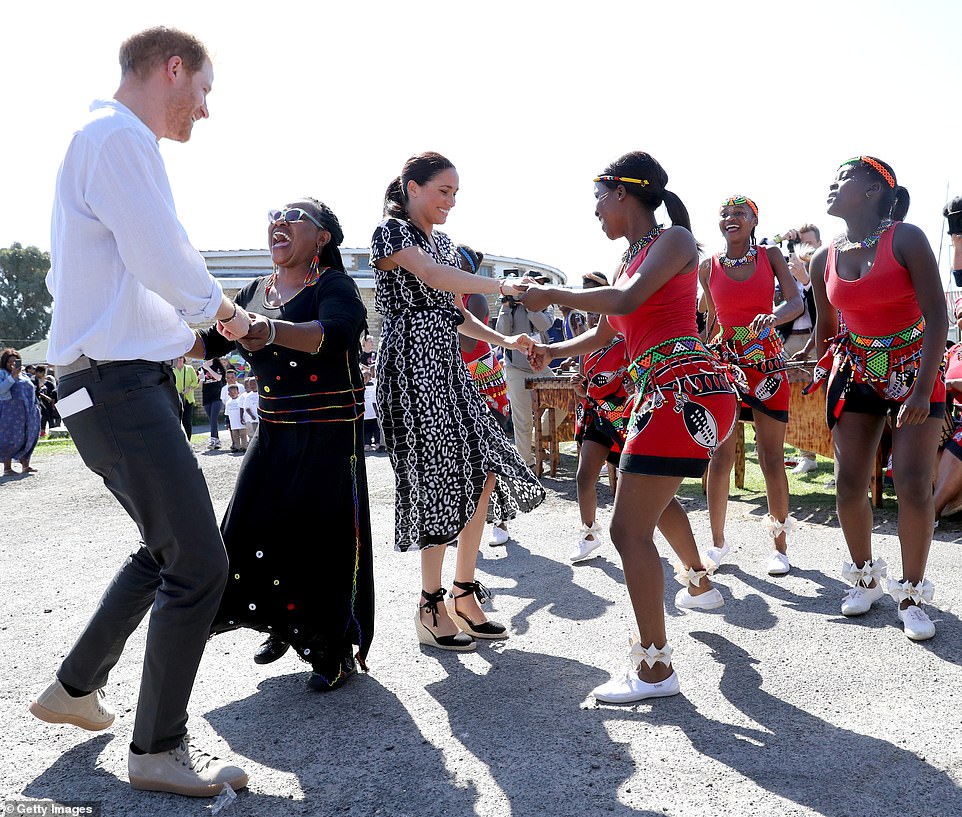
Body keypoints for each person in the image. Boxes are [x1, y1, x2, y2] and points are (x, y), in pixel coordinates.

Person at [29, 27, 249, 797]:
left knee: (166, 549)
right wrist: (223, 313)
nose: (205, 110)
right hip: (116, 386)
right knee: (199, 563)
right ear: (173, 69)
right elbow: (162, 255)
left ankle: (75, 687)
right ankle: (157, 749)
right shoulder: (120, 138)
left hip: (112, 382)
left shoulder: (103, 139)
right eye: (204, 91)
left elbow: (121, 280)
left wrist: (184, 339)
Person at [523, 151, 738, 703]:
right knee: (644, 506)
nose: (595, 210)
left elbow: (626, 300)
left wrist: (553, 294)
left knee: (626, 529)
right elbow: (605, 332)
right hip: (660, 394)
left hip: (684, 391)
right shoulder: (630, 259)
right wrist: (552, 350)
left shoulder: (675, 241)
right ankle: (698, 586)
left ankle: (655, 670)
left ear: (621, 191)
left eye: (598, 197)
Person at [370, 151, 545, 652]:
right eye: (443, 191)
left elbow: (454, 311)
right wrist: (503, 285)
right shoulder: (391, 233)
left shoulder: (444, 243)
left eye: (455, 194)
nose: (450, 201)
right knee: (439, 477)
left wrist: (505, 340)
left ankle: (464, 593)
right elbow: (434, 277)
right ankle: (430, 605)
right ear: (412, 187)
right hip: (410, 368)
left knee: (485, 465)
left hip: (447, 366)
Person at [203, 198, 375, 692]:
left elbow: (335, 334)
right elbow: (208, 344)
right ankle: (283, 625)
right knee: (250, 527)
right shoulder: (254, 291)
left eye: (295, 216)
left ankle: (332, 650)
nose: (279, 221)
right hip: (274, 430)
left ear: (321, 237)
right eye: (275, 215)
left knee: (321, 539)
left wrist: (268, 329)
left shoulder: (334, 285)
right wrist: (149, 333)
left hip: (329, 434)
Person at [808, 156, 947, 641]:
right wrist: (814, 359)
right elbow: (827, 328)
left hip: (914, 369)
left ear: (873, 189)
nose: (832, 184)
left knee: (912, 482)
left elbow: (937, 316)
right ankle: (865, 578)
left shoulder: (906, 239)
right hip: (856, 372)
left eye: (844, 177)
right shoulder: (822, 258)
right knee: (848, 483)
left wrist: (923, 389)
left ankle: (910, 595)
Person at [700, 196, 803, 575]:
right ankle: (716, 544)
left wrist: (773, 316)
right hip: (725, 364)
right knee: (720, 456)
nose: (731, 218)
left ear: (754, 221)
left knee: (771, 457)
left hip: (767, 363)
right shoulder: (707, 267)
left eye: (740, 213)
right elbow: (711, 319)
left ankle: (779, 548)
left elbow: (796, 303)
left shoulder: (769, 255)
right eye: (725, 214)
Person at [565, 272, 631, 562]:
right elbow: (586, 386)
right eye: (587, 303)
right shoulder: (585, 343)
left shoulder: (625, 337)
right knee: (584, 476)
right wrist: (580, 389)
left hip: (626, 420)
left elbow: (636, 377)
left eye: (595, 301)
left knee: (634, 482)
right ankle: (589, 535)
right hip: (596, 418)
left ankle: (639, 533)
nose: (591, 312)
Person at [456, 243, 515, 545]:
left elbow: (467, 343)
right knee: (463, 454)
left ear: (467, 268)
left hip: (483, 380)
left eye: (454, 260)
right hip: (460, 379)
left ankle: (501, 521)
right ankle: (466, 520)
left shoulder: (475, 298)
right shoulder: (452, 296)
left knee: (489, 453)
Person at [495, 270, 556, 468]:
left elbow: (544, 325)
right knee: (522, 419)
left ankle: (538, 437)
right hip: (516, 367)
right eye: (533, 284)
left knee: (565, 400)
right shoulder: (510, 306)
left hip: (542, 366)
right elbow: (502, 333)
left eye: (540, 283)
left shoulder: (546, 303)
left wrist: (530, 305)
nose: (538, 287)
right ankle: (526, 464)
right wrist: (506, 306)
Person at [776, 223, 823, 474]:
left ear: (819, 244)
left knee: (818, 399)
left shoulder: (824, 267)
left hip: (815, 340)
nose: (804, 249)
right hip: (788, 340)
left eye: (809, 244)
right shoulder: (787, 271)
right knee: (793, 400)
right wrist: (781, 237)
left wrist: (807, 281)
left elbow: (825, 310)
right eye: (799, 244)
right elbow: (757, 248)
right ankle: (806, 455)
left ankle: (828, 452)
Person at [934, 298, 962, 519]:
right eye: (961, 316)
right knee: (923, 431)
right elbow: (936, 379)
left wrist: (951, 385)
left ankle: (932, 511)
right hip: (956, 418)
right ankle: (951, 501)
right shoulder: (952, 351)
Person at [0, 348, 41, 475]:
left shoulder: (24, 375)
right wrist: (12, 376)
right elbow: (1, 390)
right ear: (4, 363)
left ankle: (25, 465)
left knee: (29, 436)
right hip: (10, 412)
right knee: (10, 438)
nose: (13, 364)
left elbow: (32, 390)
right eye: (9, 362)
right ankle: (7, 468)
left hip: (29, 411)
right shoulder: (2, 374)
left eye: (15, 361)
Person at [198, 357, 225, 449]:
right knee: (212, 419)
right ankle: (216, 440)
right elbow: (200, 385)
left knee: (213, 417)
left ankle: (213, 439)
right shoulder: (201, 368)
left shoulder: (218, 365)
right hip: (206, 396)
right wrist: (200, 379)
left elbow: (219, 378)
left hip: (217, 396)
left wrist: (208, 368)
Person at [171, 355, 198, 441]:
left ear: (184, 359)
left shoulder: (189, 369)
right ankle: (178, 441)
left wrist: (189, 388)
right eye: (177, 358)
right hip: (175, 399)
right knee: (176, 422)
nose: (179, 359)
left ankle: (188, 441)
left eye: (181, 358)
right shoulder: (172, 370)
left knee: (187, 421)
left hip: (188, 399)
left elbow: (195, 381)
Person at [33, 365, 59, 437]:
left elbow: (53, 394)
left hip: (48, 405)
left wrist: (53, 404)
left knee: (50, 419)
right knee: (43, 419)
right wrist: (44, 396)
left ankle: (52, 433)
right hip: (39, 404)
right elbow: (36, 392)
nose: (44, 375)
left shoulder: (49, 384)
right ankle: (42, 433)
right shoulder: (34, 382)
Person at [223, 383, 248, 452]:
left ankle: (244, 447)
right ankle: (237, 447)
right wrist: (227, 422)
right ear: (228, 394)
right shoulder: (228, 402)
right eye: (231, 392)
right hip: (233, 423)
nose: (233, 393)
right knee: (235, 436)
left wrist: (244, 418)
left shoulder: (241, 400)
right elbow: (227, 414)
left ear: (238, 392)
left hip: (241, 422)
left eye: (234, 392)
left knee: (243, 435)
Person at [362, 366, 381, 451]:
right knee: (368, 430)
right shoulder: (361, 387)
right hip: (366, 413)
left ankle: (376, 443)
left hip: (372, 413)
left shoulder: (373, 385)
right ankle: (368, 444)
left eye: (366, 377)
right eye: (364, 377)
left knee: (374, 429)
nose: (365, 379)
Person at [242, 375, 258, 440]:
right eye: (250, 384)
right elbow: (247, 408)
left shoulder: (261, 394)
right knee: (256, 435)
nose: (252, 386)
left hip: (262, 419)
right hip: (254, 420)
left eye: (254, 384)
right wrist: (252, 415)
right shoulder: (248, 396)